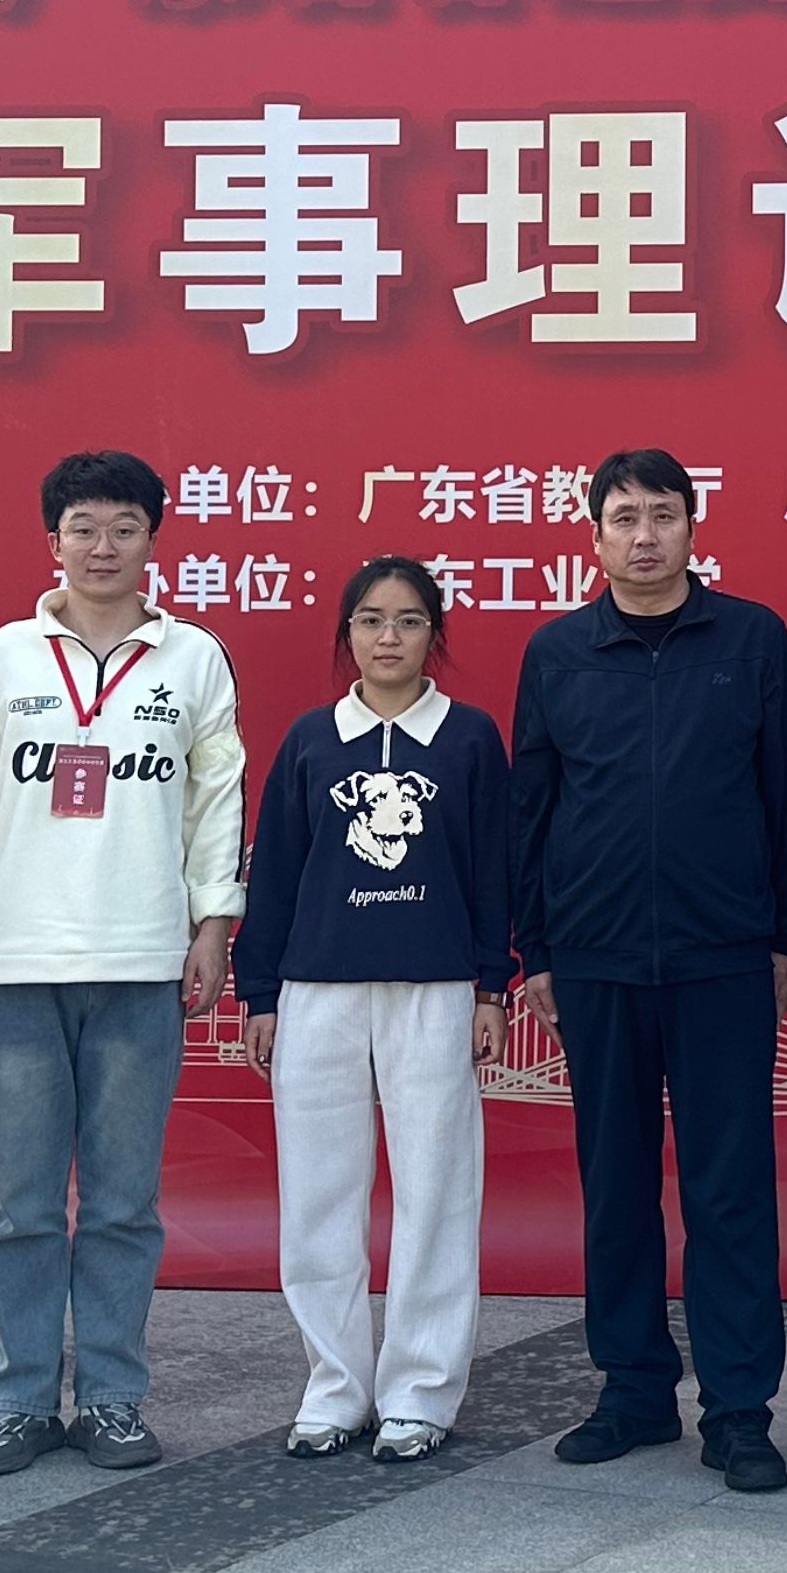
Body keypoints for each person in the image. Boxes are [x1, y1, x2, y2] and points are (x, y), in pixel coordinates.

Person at [511, 448, 787, 1495]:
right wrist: (536, 950)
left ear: (693, 526)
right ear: (594, 535)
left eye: (663, 515)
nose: (644, 536)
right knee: (616, 1186)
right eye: (624, 518)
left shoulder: (751, 639)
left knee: (730, 1191)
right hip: (595, 960)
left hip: (722, 957)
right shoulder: (558, 653)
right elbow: (531, 811)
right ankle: (635, 1391)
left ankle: (738, 1410)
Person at [0, 449, 244, 1478]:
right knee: (20, 1204)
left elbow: (216, 802)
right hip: (19, 963)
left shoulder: (192, 657)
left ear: (154, 539)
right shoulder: (3, 658)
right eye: (83, 528)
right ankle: (17, 1401)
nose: (102, 547)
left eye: (123, 528)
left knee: (121, 1204)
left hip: (142, 960)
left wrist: (213, 924)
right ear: (52, 539)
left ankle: (111, 1396)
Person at [239, 558, 511, 1463]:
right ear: (346, 634)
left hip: (434, 990)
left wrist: (491, 985)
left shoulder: (468, 738)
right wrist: (261, 992)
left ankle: (420, 1392)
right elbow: (275, 875)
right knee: (319, 1194)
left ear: (435, 633)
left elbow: (493, 870)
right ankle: (335, 1386)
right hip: (318, 991)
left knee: (436, 1193)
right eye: (369, 620)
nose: (388, 637)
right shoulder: (312, 740)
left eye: (408, 620)